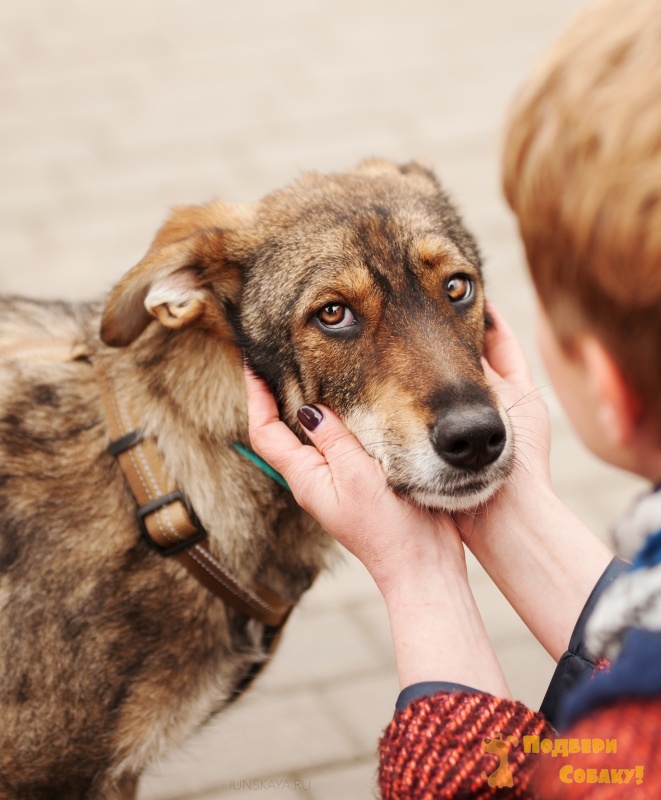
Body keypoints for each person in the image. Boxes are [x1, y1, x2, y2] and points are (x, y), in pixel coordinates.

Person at [244, 0, 661, 795]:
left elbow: (575, 769)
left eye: (457, 289)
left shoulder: (627, 745)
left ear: (604, 385)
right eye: (334, 315)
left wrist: (418, 580)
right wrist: (517, 511)